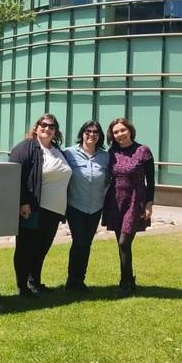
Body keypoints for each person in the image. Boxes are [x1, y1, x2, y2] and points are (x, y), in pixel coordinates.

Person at [9, 114, 71, 296]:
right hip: (34, 209)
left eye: (51, 126)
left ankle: (34, 282)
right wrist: (23, 202)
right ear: (36, 127)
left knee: (41, 249)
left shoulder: (56, 149)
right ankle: (22, 286)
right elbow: (15, 176)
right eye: (43, 125)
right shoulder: (26, 147)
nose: (47, 128)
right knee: (26, 248)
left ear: (55, 131)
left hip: (54, 210)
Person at [102, 117, 155, 296]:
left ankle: (125, 282)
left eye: (122, 130)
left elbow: (151, 180)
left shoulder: (143, 151)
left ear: (130, 130)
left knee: (124, 242)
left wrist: (149, 203)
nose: (119, 134)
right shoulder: (111, 153)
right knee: (121, 243)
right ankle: (128, 282)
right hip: (116, 202)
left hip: (135, 201)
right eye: (115, 132)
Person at [63, 121, 109, 292]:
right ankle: (72, 280)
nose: (92, 134)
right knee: (79, 242)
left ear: (100, 135)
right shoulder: (68, 153)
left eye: (95, 131)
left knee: (86, 243)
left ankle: (78, 280)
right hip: (75, 206)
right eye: (88, 131)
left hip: (96, 208)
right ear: (82, 133)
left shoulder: (106, 157)